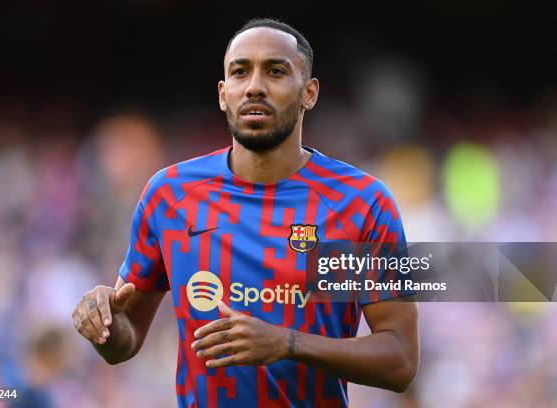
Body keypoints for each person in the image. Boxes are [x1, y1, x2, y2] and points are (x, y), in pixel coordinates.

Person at [72, 18, 419, 407]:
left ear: (309, 93)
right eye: (240, 72)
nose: (254, 85)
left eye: (275, 71)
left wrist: (287, 343)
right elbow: (126, 340)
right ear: (224, 94)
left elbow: (400, 360)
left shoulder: (358, 204)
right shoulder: (170, 195)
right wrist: (104, 324)